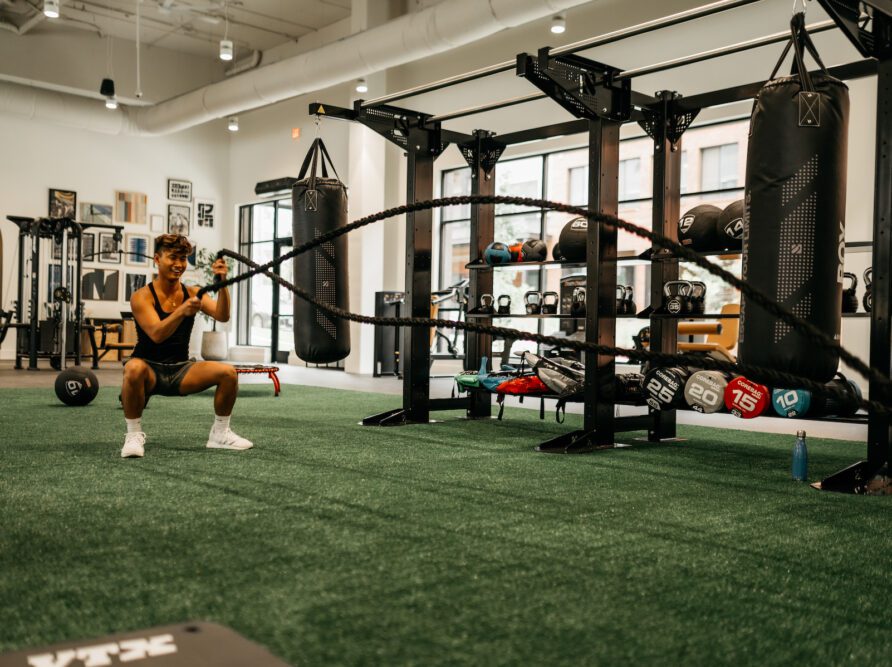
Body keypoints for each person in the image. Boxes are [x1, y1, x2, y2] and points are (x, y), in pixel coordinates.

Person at [120, 234, 252, 458]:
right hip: (149, 370)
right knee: (132, 368)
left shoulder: (192, 292)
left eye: (182, 259)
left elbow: (222, 315)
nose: (179, 264)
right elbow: (157, 334)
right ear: (157, 259)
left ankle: (220, 434)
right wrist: (182, 311)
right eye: (173, 257)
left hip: (181, 369)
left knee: (228, 373)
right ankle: (133, 436)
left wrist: (221, 283)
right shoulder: (141, 297)